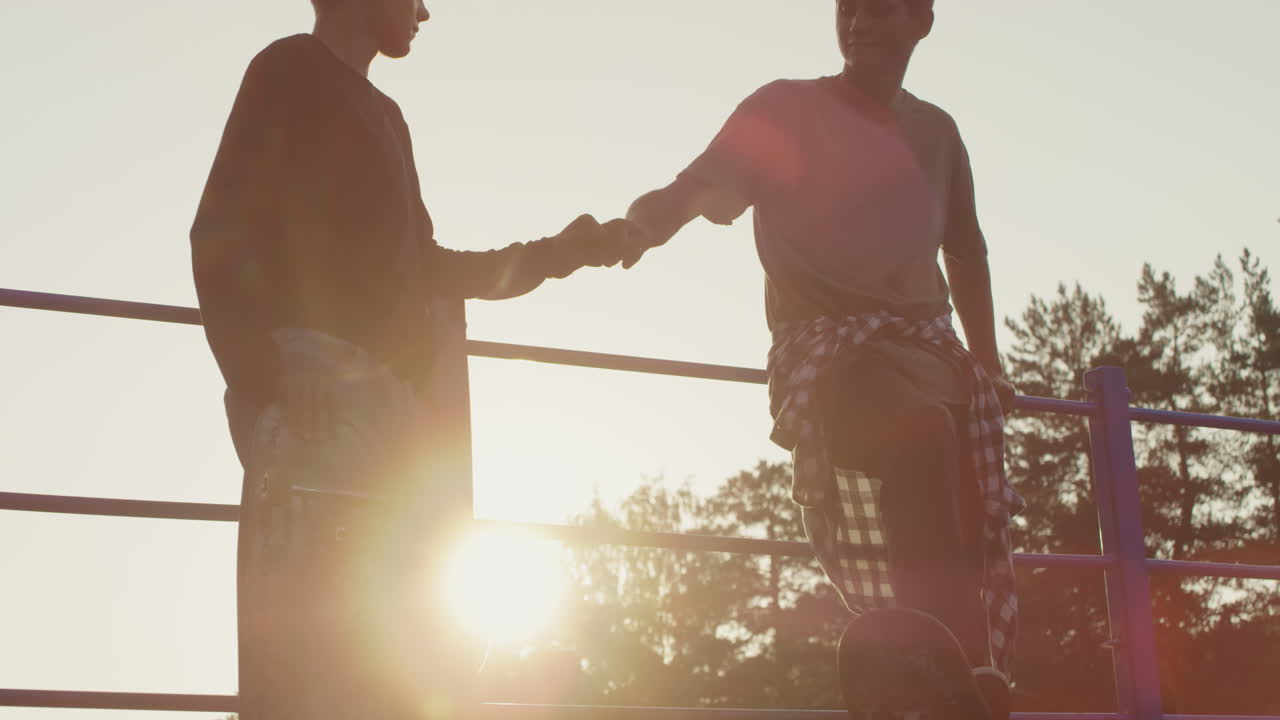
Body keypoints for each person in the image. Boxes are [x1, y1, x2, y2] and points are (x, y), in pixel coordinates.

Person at [189, 0, 634, 717]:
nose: (426, 11)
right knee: (319, 660)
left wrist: (561, 254)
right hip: (315, 405)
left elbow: (423, 268)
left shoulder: (388, 117)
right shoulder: (286, 70)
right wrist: (269, 376)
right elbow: (219, 232)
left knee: (409, 659)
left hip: (389, 416)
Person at [620, 1, 1024, 718]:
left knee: (961, 510)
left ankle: (967, 682)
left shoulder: (937, 133)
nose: (859, 18)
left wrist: (987, 361)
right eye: (847, 5)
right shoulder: (786, 110)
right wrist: (635, 227)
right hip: (831, 355)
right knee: (921, 433)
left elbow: (967, 252)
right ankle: (934, 668)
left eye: (879, 6)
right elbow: (694, 191)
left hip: (931, 352)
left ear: (921, 21)